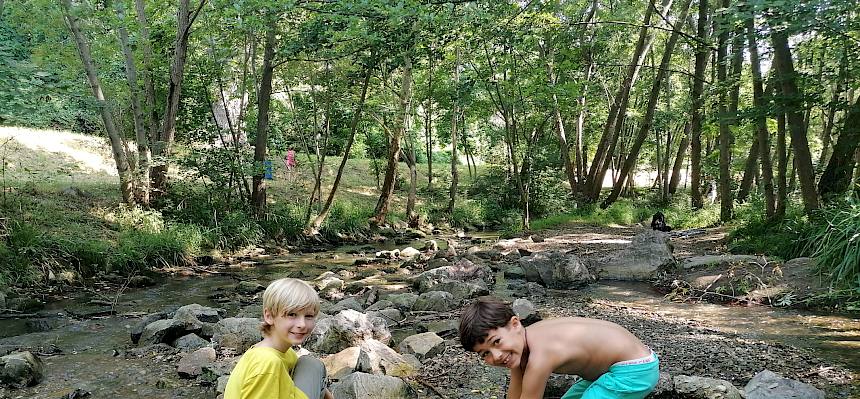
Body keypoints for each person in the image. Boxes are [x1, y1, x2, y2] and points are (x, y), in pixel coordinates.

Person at [459, 297, 658, 399]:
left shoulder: (541, 355)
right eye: (485, 353)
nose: (496, 356)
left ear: (515, 324)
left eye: (496, 342)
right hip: (619, 368)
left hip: (632, 370)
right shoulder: (521, 345)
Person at [224, 278, 333, 399]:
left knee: (310, 363)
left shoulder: (285, 353)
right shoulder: (267, 362)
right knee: (311, 365)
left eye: (309, 316)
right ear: (269, 316)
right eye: (291, 314)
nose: (302, 324)